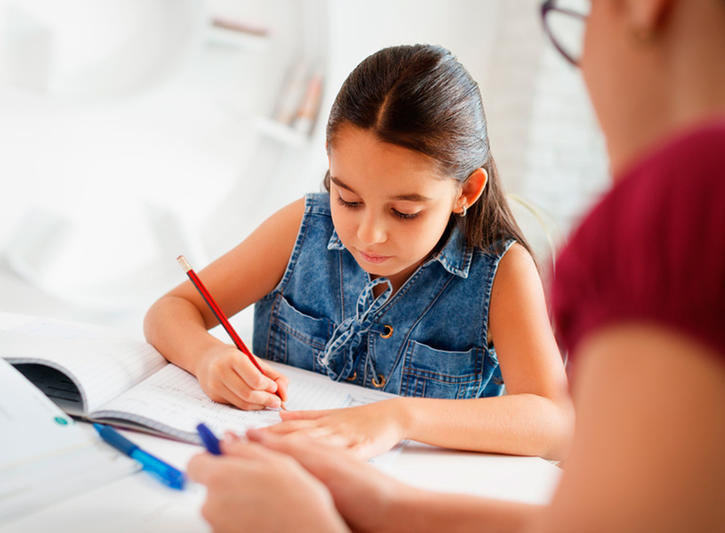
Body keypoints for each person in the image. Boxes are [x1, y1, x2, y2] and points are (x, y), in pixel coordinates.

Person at [186, 0, 725, 531]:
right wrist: (382, 505)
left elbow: (565, 440)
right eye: (347, 198)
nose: (368, 231)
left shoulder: (721, 202)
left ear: (643, 7)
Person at [144, 44, 573, 459]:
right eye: (347, 199)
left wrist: (400, 418)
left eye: (404, 212)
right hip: (276, 470)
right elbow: (171, 309)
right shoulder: (302, 228)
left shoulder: (501, 273)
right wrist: (208, 358)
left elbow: (553, 421)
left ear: (466, 191)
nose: (369, 235)